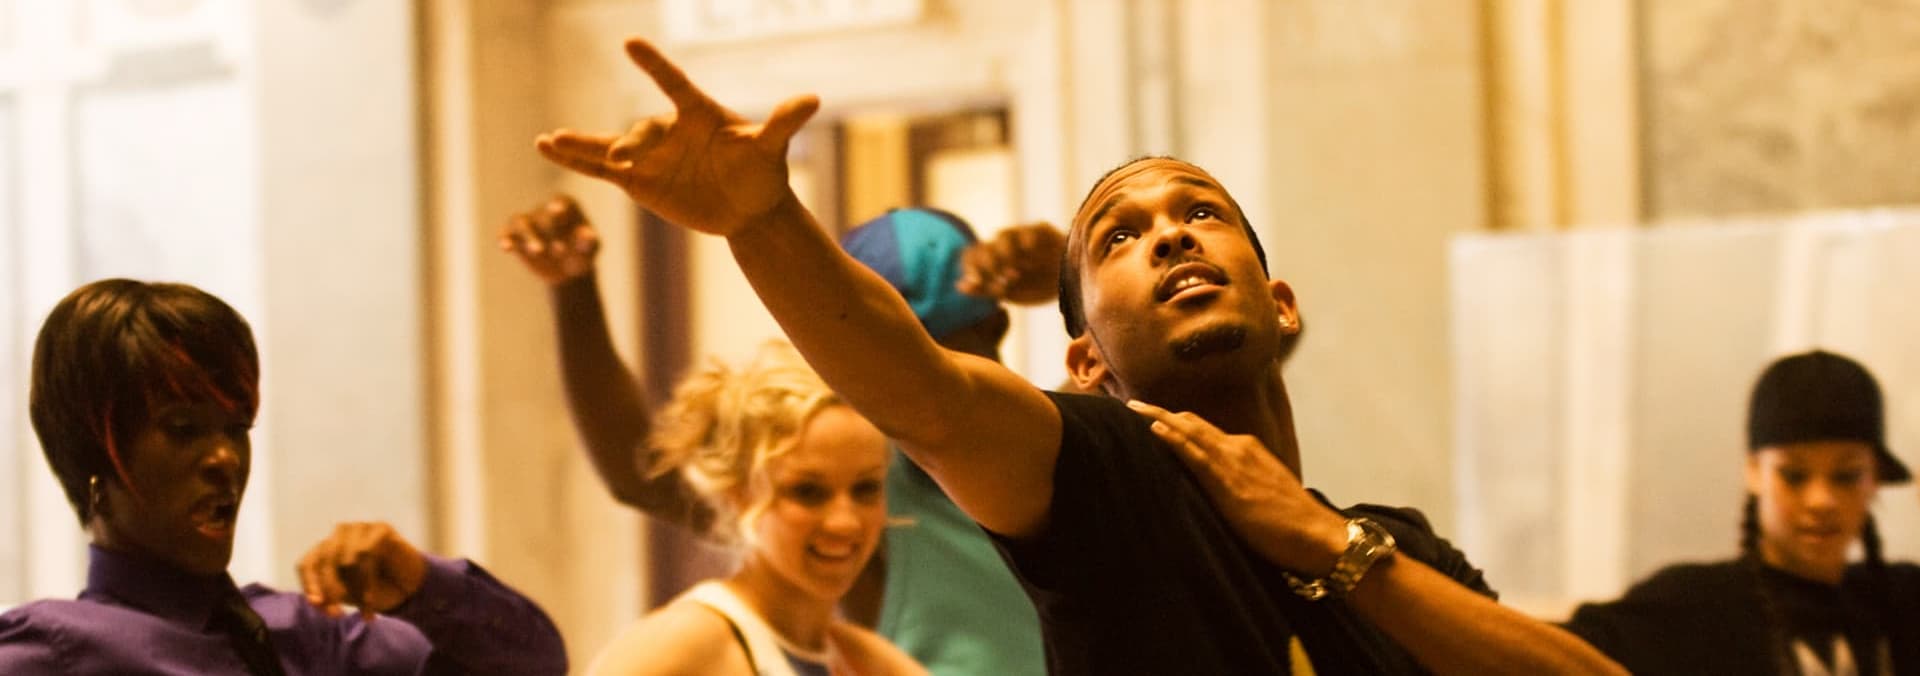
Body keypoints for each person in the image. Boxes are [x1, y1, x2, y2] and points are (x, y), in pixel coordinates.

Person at [535, 37, 1623, 675]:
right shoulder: (1105, 481)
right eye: (1119, 236)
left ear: (1281, 302)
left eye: (1201, 211)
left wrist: (1327, 544)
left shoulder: (1397, 546)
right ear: (1086, 364)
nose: (1172, 235)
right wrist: (763, 221)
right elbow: (926, 397)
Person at [499, 195, 1057, 674]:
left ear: (995, 331)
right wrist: (574, 292)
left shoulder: (1052, 451)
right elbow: (642, 473)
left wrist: (1071, 280)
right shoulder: (879, 479)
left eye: (949, 368)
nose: (844, 519)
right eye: (809, 492)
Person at [0, 278, 568, 675]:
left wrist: (422, 585)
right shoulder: (56, 650)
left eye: (236, 428)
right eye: (183, 428)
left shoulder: (311, 634)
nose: (225, 458)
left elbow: (538, 664)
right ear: (94, 461)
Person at [1564, 350, 1920, 675]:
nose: (1821, 500)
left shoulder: (1904, 601)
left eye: (1846, 476)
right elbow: (1550, 654)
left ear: (1876, 479)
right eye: (1794, 475)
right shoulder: (1691, 606)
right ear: (1753, 472)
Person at [583, 340, 926, 675]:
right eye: (808, 492)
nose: (844, 522)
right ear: (737, 493)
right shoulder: (688, 643)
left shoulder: (866, 660)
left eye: (865, 489)